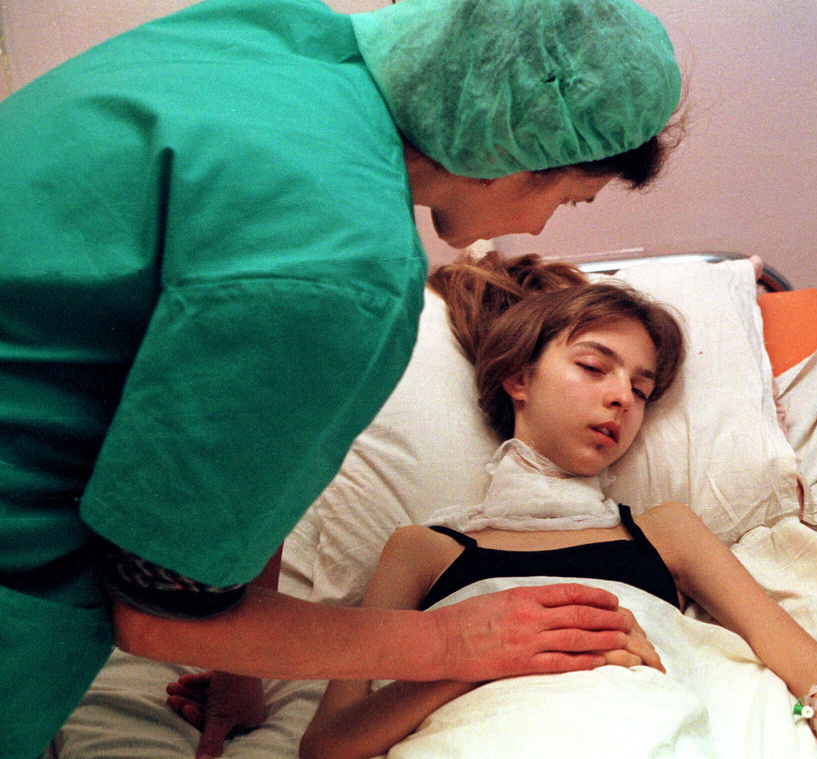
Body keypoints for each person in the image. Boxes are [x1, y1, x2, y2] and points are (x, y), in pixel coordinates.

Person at [0, 0, 685, 756]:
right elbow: (159, 615)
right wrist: (452, 643)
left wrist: (241, 657)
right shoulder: (345, 273)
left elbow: (233, 443)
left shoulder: (266, 36)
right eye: (568, 198)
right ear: (521, 146)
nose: (544, 228)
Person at [286, 253, 817, 759]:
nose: (621, 396)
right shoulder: (421, 550)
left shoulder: (667, 533)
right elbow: (329, 744)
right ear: (518, 377)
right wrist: (479, 660)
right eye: (593, 367)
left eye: (641, 391)